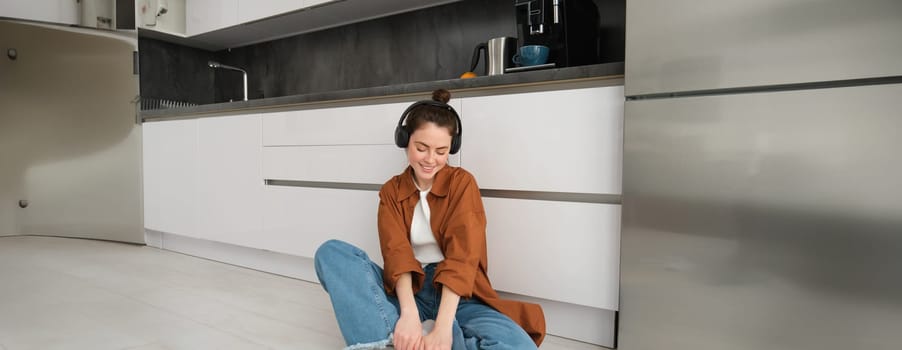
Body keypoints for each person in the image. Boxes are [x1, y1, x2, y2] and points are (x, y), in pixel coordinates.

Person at [314, 89, 545, 350]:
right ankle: (404, 337)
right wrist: (409, 316)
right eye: (421, 148)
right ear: (405, 141)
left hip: (460, 297)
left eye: (441, 151)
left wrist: (443, 328)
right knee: (331, 253)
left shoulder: (462, 183)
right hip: (410, 291)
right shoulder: (391, 191)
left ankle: (403, 342)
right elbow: (396, 254)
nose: (430, 160)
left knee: (519, 345)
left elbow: (462, 257)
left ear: (451, 149)